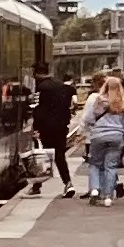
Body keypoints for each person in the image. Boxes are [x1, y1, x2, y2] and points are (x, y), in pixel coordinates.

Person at [79, 72, 124, 205]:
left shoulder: (97, 100)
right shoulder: (123, 102)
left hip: (98, 136)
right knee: (110, 166)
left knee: (95, 164)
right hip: (116, 137)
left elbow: (87, 118)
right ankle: (108, 196)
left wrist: (88, 128)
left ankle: (94, 189)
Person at [36, 64, 78, 192]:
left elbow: (39, 109)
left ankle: (36, 186)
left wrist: (36, 127)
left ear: (37, 73)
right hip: (61, 126)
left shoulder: (42, 87)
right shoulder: (61, 85)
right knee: (60, 156)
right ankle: (68, 183)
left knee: (45, 156)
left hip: (47, 128)